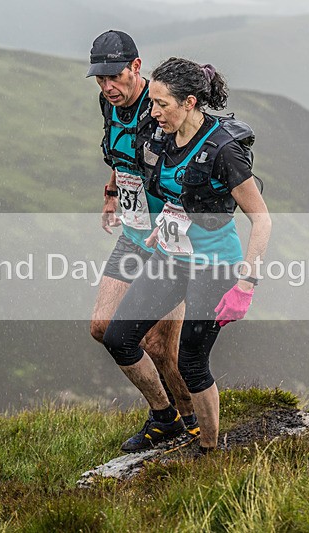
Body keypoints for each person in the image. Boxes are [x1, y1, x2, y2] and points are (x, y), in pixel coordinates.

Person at [103, 57, 272, 453]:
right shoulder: (160, 139)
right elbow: (168, 195)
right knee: (118, 337)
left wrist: (246, 283)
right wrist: (153, 228)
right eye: (153, 103)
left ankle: (210, 452)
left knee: (192, 362)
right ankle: (166, 419)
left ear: (190, 102)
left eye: (162, 104)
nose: (154, 112)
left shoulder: (223, 151)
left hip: (216, 265)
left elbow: (262, 220)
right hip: (172, 258)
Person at [86, 31, 196, 451]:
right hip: (133, 235)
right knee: (102, 327)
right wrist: (112, 191)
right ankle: (165, 416)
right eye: (100, 80)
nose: (108, 87)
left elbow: (192, 168)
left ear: (136, 67)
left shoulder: (163, 109)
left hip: (170, 244)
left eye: (114, 76)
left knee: (160, 346)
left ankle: (193, 424)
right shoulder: (109, 104)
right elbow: (119, 154)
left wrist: (175, 218)